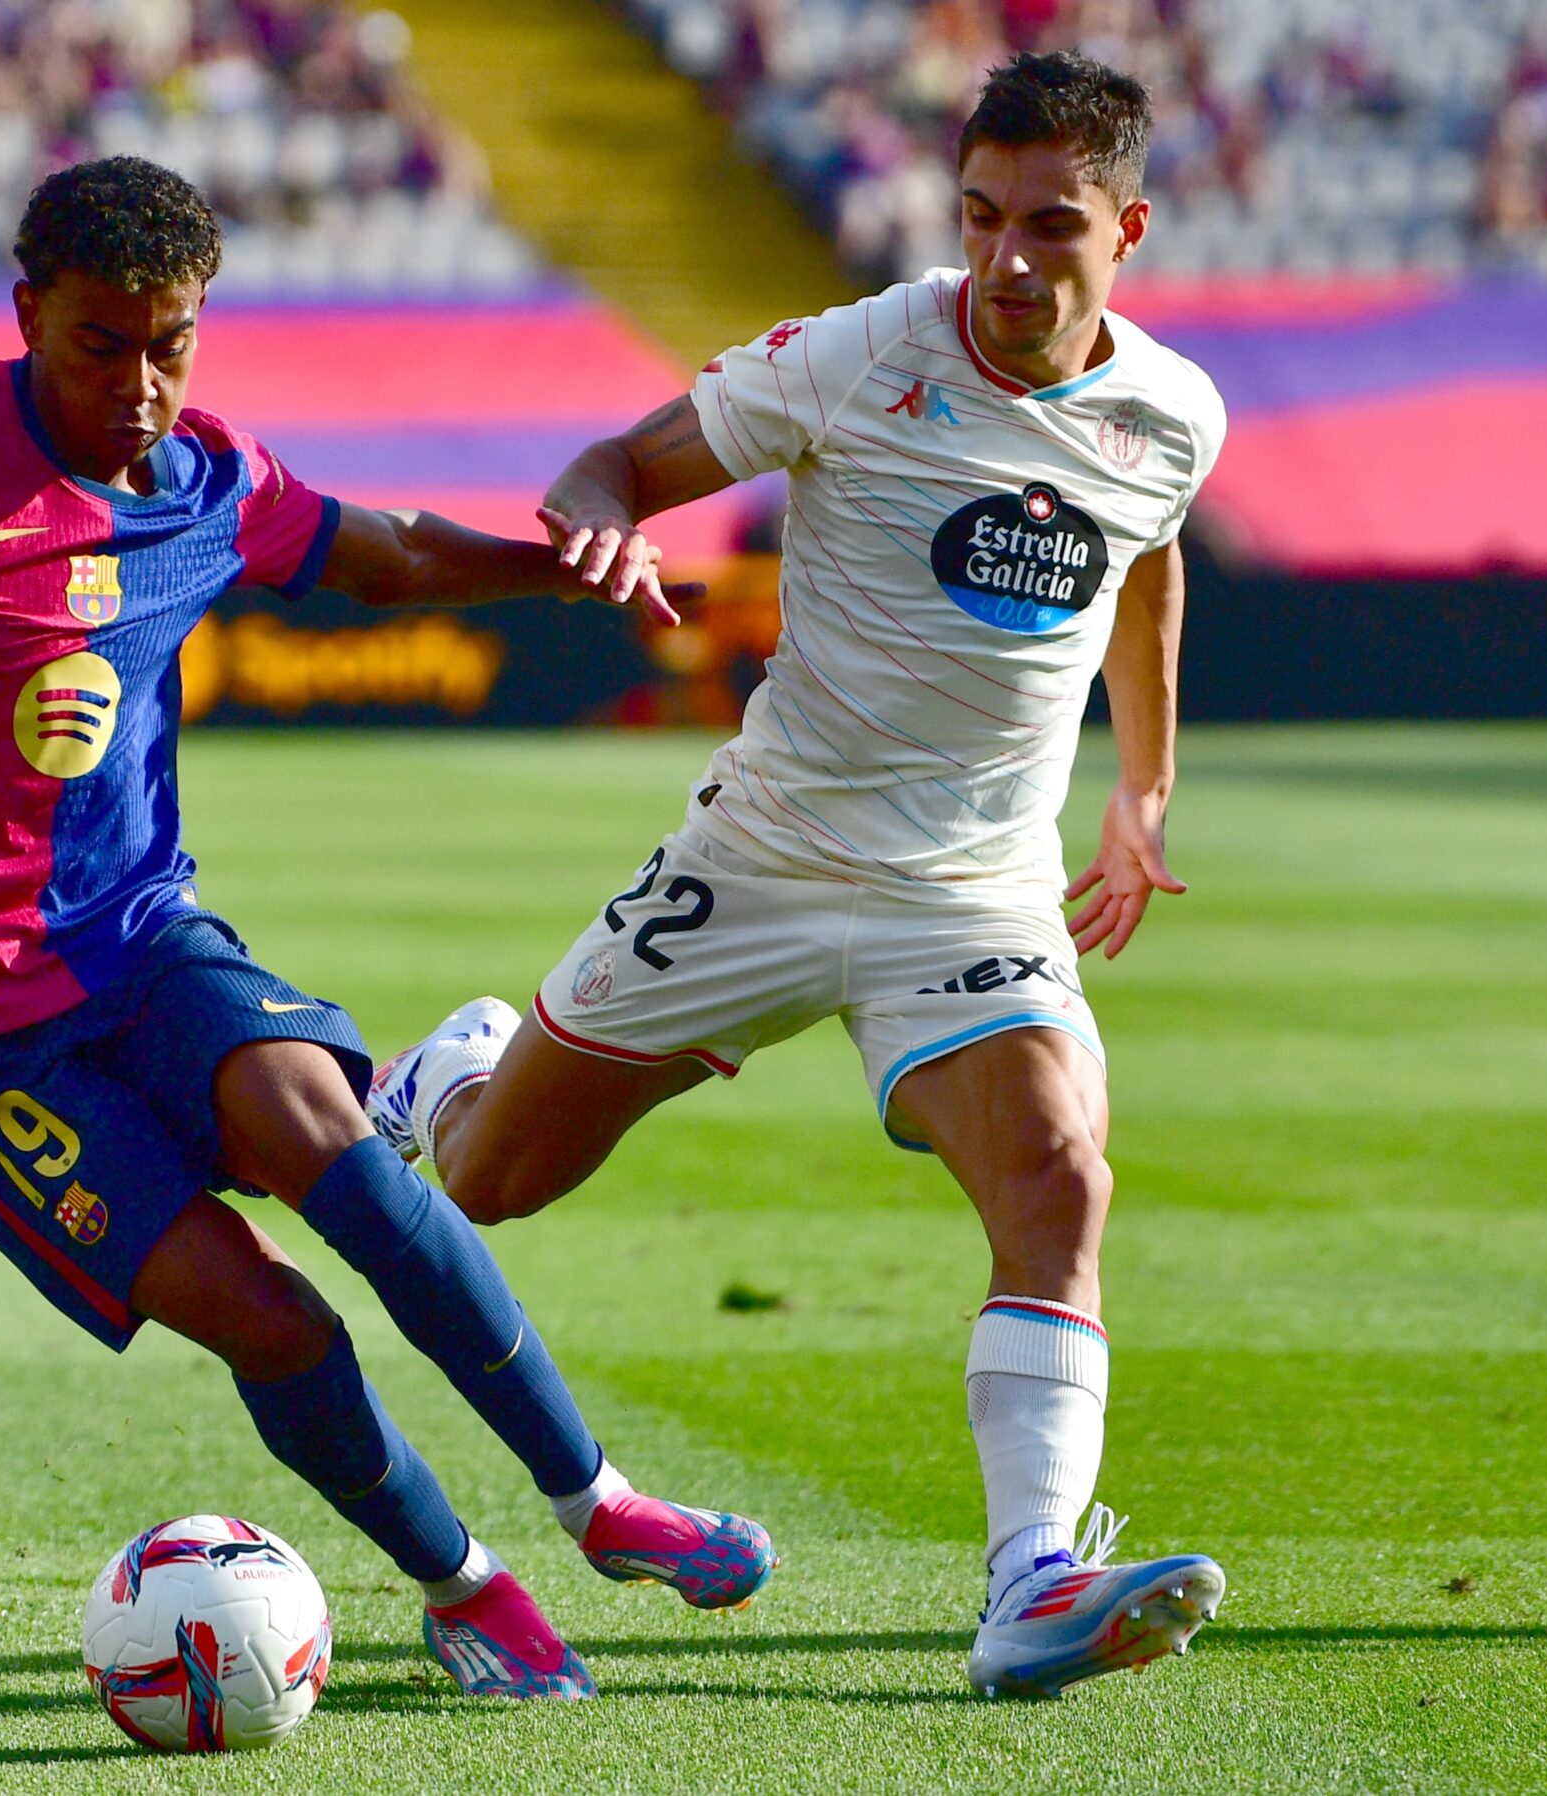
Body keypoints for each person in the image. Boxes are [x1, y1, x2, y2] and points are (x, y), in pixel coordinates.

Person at [0, 155, 775, 1704]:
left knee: (346, 1168)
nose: (143, 382)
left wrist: (565, 570)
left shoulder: (207, 477)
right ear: (29, 312)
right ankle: (464, 1588)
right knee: (272, 1318)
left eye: (174, 342)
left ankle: (602, 1503)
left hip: (143, 936)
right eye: (104, 342)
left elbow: (387, 556)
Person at [368, 53, 1227, 1699]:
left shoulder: (1170, 412)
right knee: (484, 1189)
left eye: (1053, 226)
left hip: (969, 894)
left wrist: (1146, 788)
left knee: (1060, 1181)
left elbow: (1150, 561)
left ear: (1129, 230)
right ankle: (457, 1074)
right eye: (980, 217)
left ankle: (1034, 1578)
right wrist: (606, 526)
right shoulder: (862, 352)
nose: (1009, 261)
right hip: (760, 860)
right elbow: (612, 465)